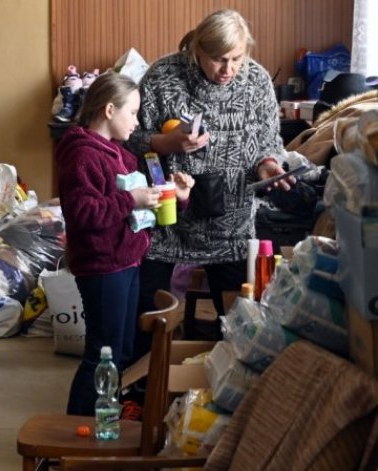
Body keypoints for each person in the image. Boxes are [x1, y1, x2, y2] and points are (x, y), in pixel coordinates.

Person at [127, 9, 292, 346]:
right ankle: (141, 391)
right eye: (218, 59)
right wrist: (164, 142)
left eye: (236, 58)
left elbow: (268, 144)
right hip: (165, 220)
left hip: (229, 224)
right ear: (197, 49)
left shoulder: (257, 82)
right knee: (145, 318)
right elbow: (127, 139)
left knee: (236, 325)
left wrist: (269, 166)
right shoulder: (163, 77)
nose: (228, 69)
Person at [58, 73, 193, 416]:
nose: (137, 122)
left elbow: (145, 208)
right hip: (103, 266)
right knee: (102, 353)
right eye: (132, 113)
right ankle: (75, 434)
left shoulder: (121, 154)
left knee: (121, 349)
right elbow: (82, 213)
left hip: (127, 261)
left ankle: (106, 418)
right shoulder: (83, 156)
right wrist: (129, 200)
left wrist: (175, 197)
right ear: (108, 110)